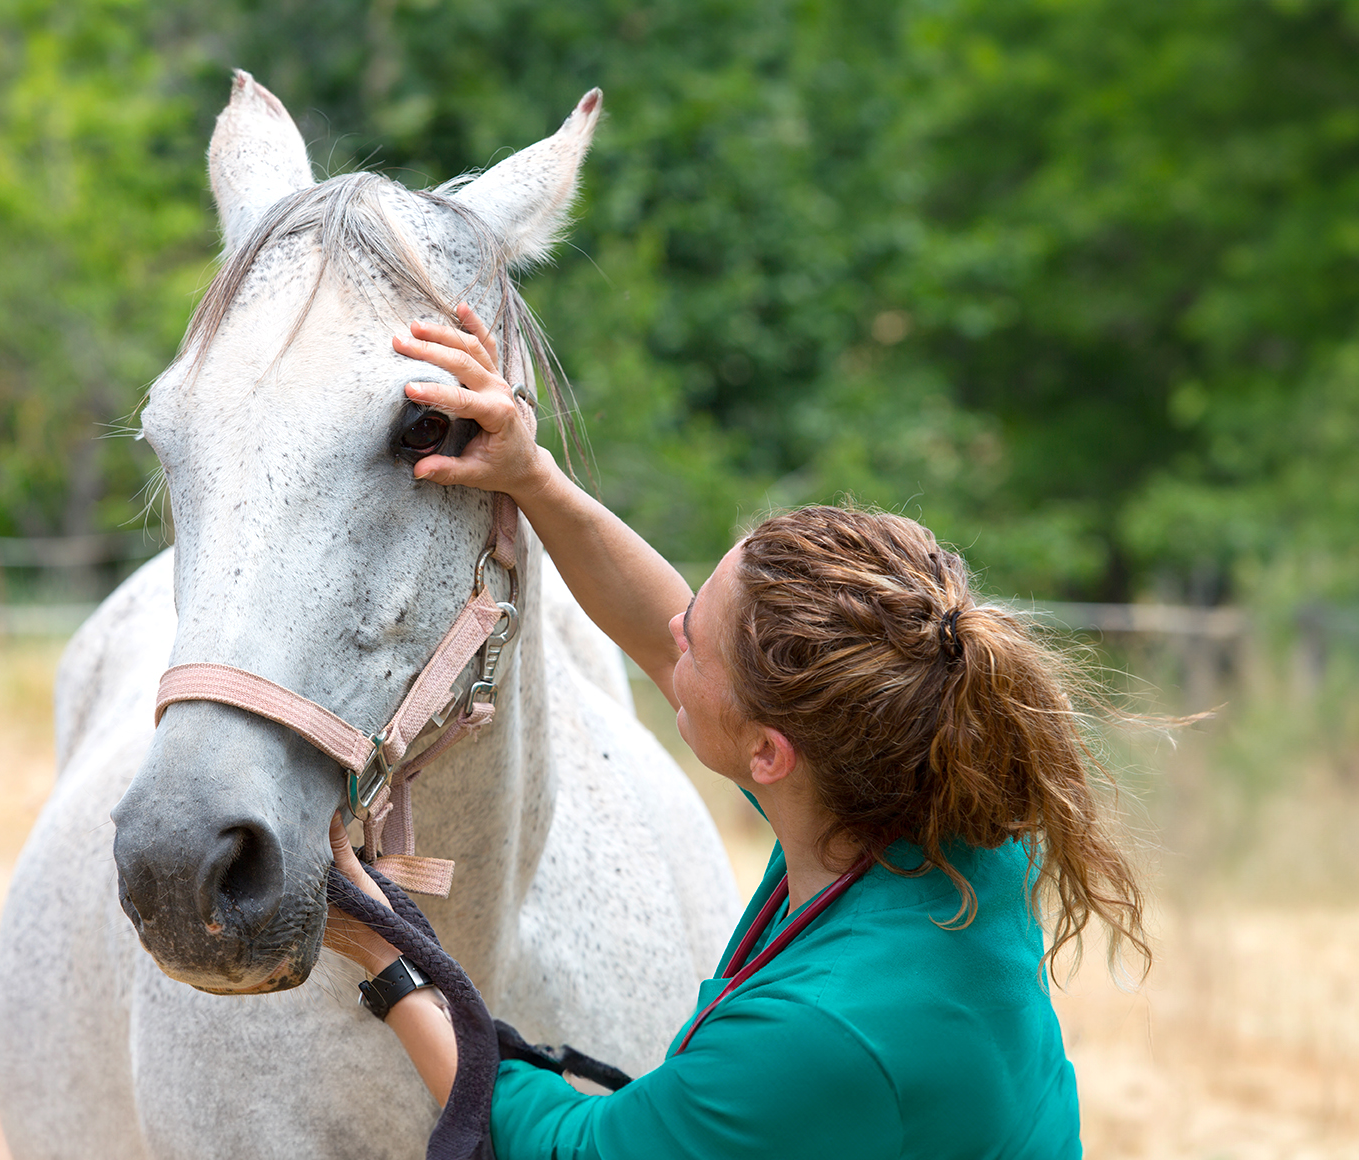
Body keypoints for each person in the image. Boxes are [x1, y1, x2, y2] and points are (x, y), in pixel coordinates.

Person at [321, 304, 1150, 1159]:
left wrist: (385, 951)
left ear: (769, 753)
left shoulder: (814, 1034)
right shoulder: (936, 809)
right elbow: (661, 625)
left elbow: (569, 1151)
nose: (675, 633)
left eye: (700, 645)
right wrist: (532, 477)